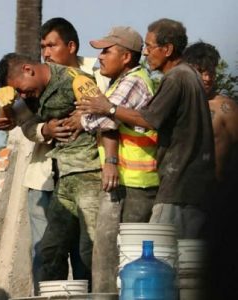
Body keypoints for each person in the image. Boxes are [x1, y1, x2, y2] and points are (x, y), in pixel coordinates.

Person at [0, 17, 108, 295]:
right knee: (48, 250)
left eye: (51, 45)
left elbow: (106, 110)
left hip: (87, 173)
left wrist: (83, 117)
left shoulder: (87, 73)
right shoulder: (32, 90)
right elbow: (18, 122)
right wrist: (44, 126)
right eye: (43, 46)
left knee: (88, 249)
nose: (46, 51)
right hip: (49, 178)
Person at [77, 18, 215, 239]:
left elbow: (150, 120)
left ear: (167, 49)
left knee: (162, 252)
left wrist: (108, 108)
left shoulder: (176, 78)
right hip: (188, 183)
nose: (146, 53)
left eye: (150, 47)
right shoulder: (187, 76)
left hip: (178, 184)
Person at [78, 26, 158, 293]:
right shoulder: (119, 82)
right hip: (126, 181)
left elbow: (99, 119)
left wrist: (92, 112)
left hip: (133, 183)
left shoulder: (133, 82)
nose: (100, 57)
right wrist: (90, 114)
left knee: (115, 256)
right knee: (108, 254)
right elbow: (96, 119)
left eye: (106, 51)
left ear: (126, 57)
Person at [183, 41, 238, 299]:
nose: (207, 77)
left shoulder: (226, 108)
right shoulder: (179, 105)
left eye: (211, 72)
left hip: (218, 199)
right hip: (184, 198)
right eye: (200, 71)